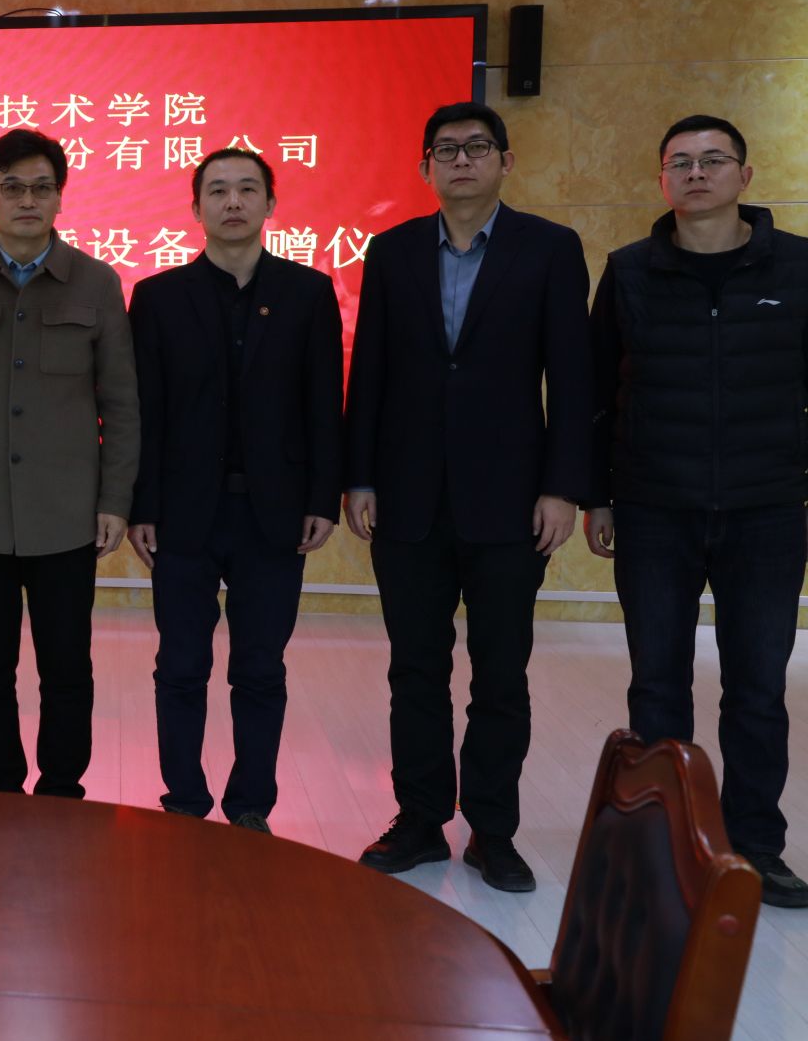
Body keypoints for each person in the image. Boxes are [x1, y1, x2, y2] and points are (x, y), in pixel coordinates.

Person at [344, 101, 590, 892]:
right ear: (425, 167)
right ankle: (420, 820)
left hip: (512, 501)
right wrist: (359, 476)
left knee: (500, 673)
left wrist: (563, 487)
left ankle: (493, 829)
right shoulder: (392, 251)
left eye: (476, 147)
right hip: (407, 498)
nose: (460, 160)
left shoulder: (550, 248)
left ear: (505, 162)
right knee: (415, 668)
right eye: (445, 149)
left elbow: (572, 377)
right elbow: (370, 370)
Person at [583, 115, 808, 908]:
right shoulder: (630, 271)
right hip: (655, 508)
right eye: (680, 162)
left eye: (714, 160)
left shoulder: (799, 266)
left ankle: (755, 847)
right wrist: (598, 494)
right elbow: (595, 392)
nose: (697, 173)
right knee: (657, 687)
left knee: (757, 687)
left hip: (767, 510)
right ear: (662, 181)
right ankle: (661, 847)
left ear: (746, 175)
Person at [0, 128, 137, 798]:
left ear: (60, 197)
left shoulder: (97, 282)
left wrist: (115, 501)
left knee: (66, 666)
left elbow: (121, 403)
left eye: (42, 187)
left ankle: (62, 788)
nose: (27, 200)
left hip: (67, 515)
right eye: (12, 187)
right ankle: (0, 787)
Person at [127, 149, 342, 832]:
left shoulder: (309, 293)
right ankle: (184, 804)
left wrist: (323, 498)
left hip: (274, 515)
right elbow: (144, 411)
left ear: (270, 204)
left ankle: (250, 806)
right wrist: (141, 506)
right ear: (196, 208)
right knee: (180, 666)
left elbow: (323, 405)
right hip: (183, 514)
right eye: (217, 190)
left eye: (248, 189)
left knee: (260, 668)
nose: (233, 202)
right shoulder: (158, 297)